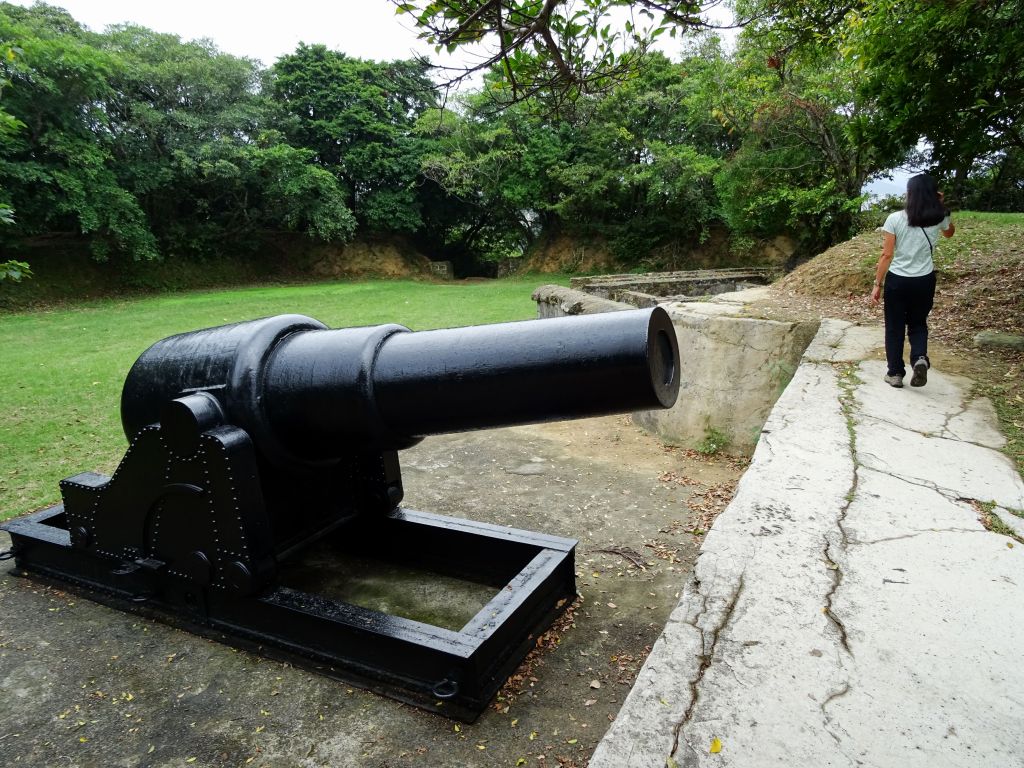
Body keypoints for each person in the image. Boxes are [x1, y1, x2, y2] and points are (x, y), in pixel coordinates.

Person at [870, 174, 955, 388]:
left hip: (898, 281)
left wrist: (877, 284)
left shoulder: (895, 218)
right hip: (924, 280)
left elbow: (887, 255)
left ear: (910, 193)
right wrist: (941, 205)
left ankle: (895, 373)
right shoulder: (939, 216)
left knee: (894, 327)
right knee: (918, 323)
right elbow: (949, 234)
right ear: (932, 193)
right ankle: (919, 358)